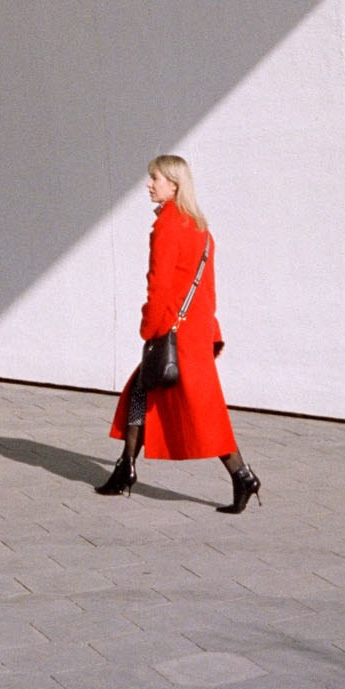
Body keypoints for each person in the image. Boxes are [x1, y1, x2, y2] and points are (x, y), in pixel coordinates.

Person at [96, 154, 260, 512]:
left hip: (174, 331)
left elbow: (159, 286)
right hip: (194, 331)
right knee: (142, 392)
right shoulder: (200, 228)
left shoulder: (169, 226)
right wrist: (208, 330)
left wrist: (150, 328)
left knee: (203, 411)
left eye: (155, 178)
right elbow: (208, 289)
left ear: (174, 184)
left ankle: (242, 474)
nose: (149, 184)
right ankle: (126, 468)